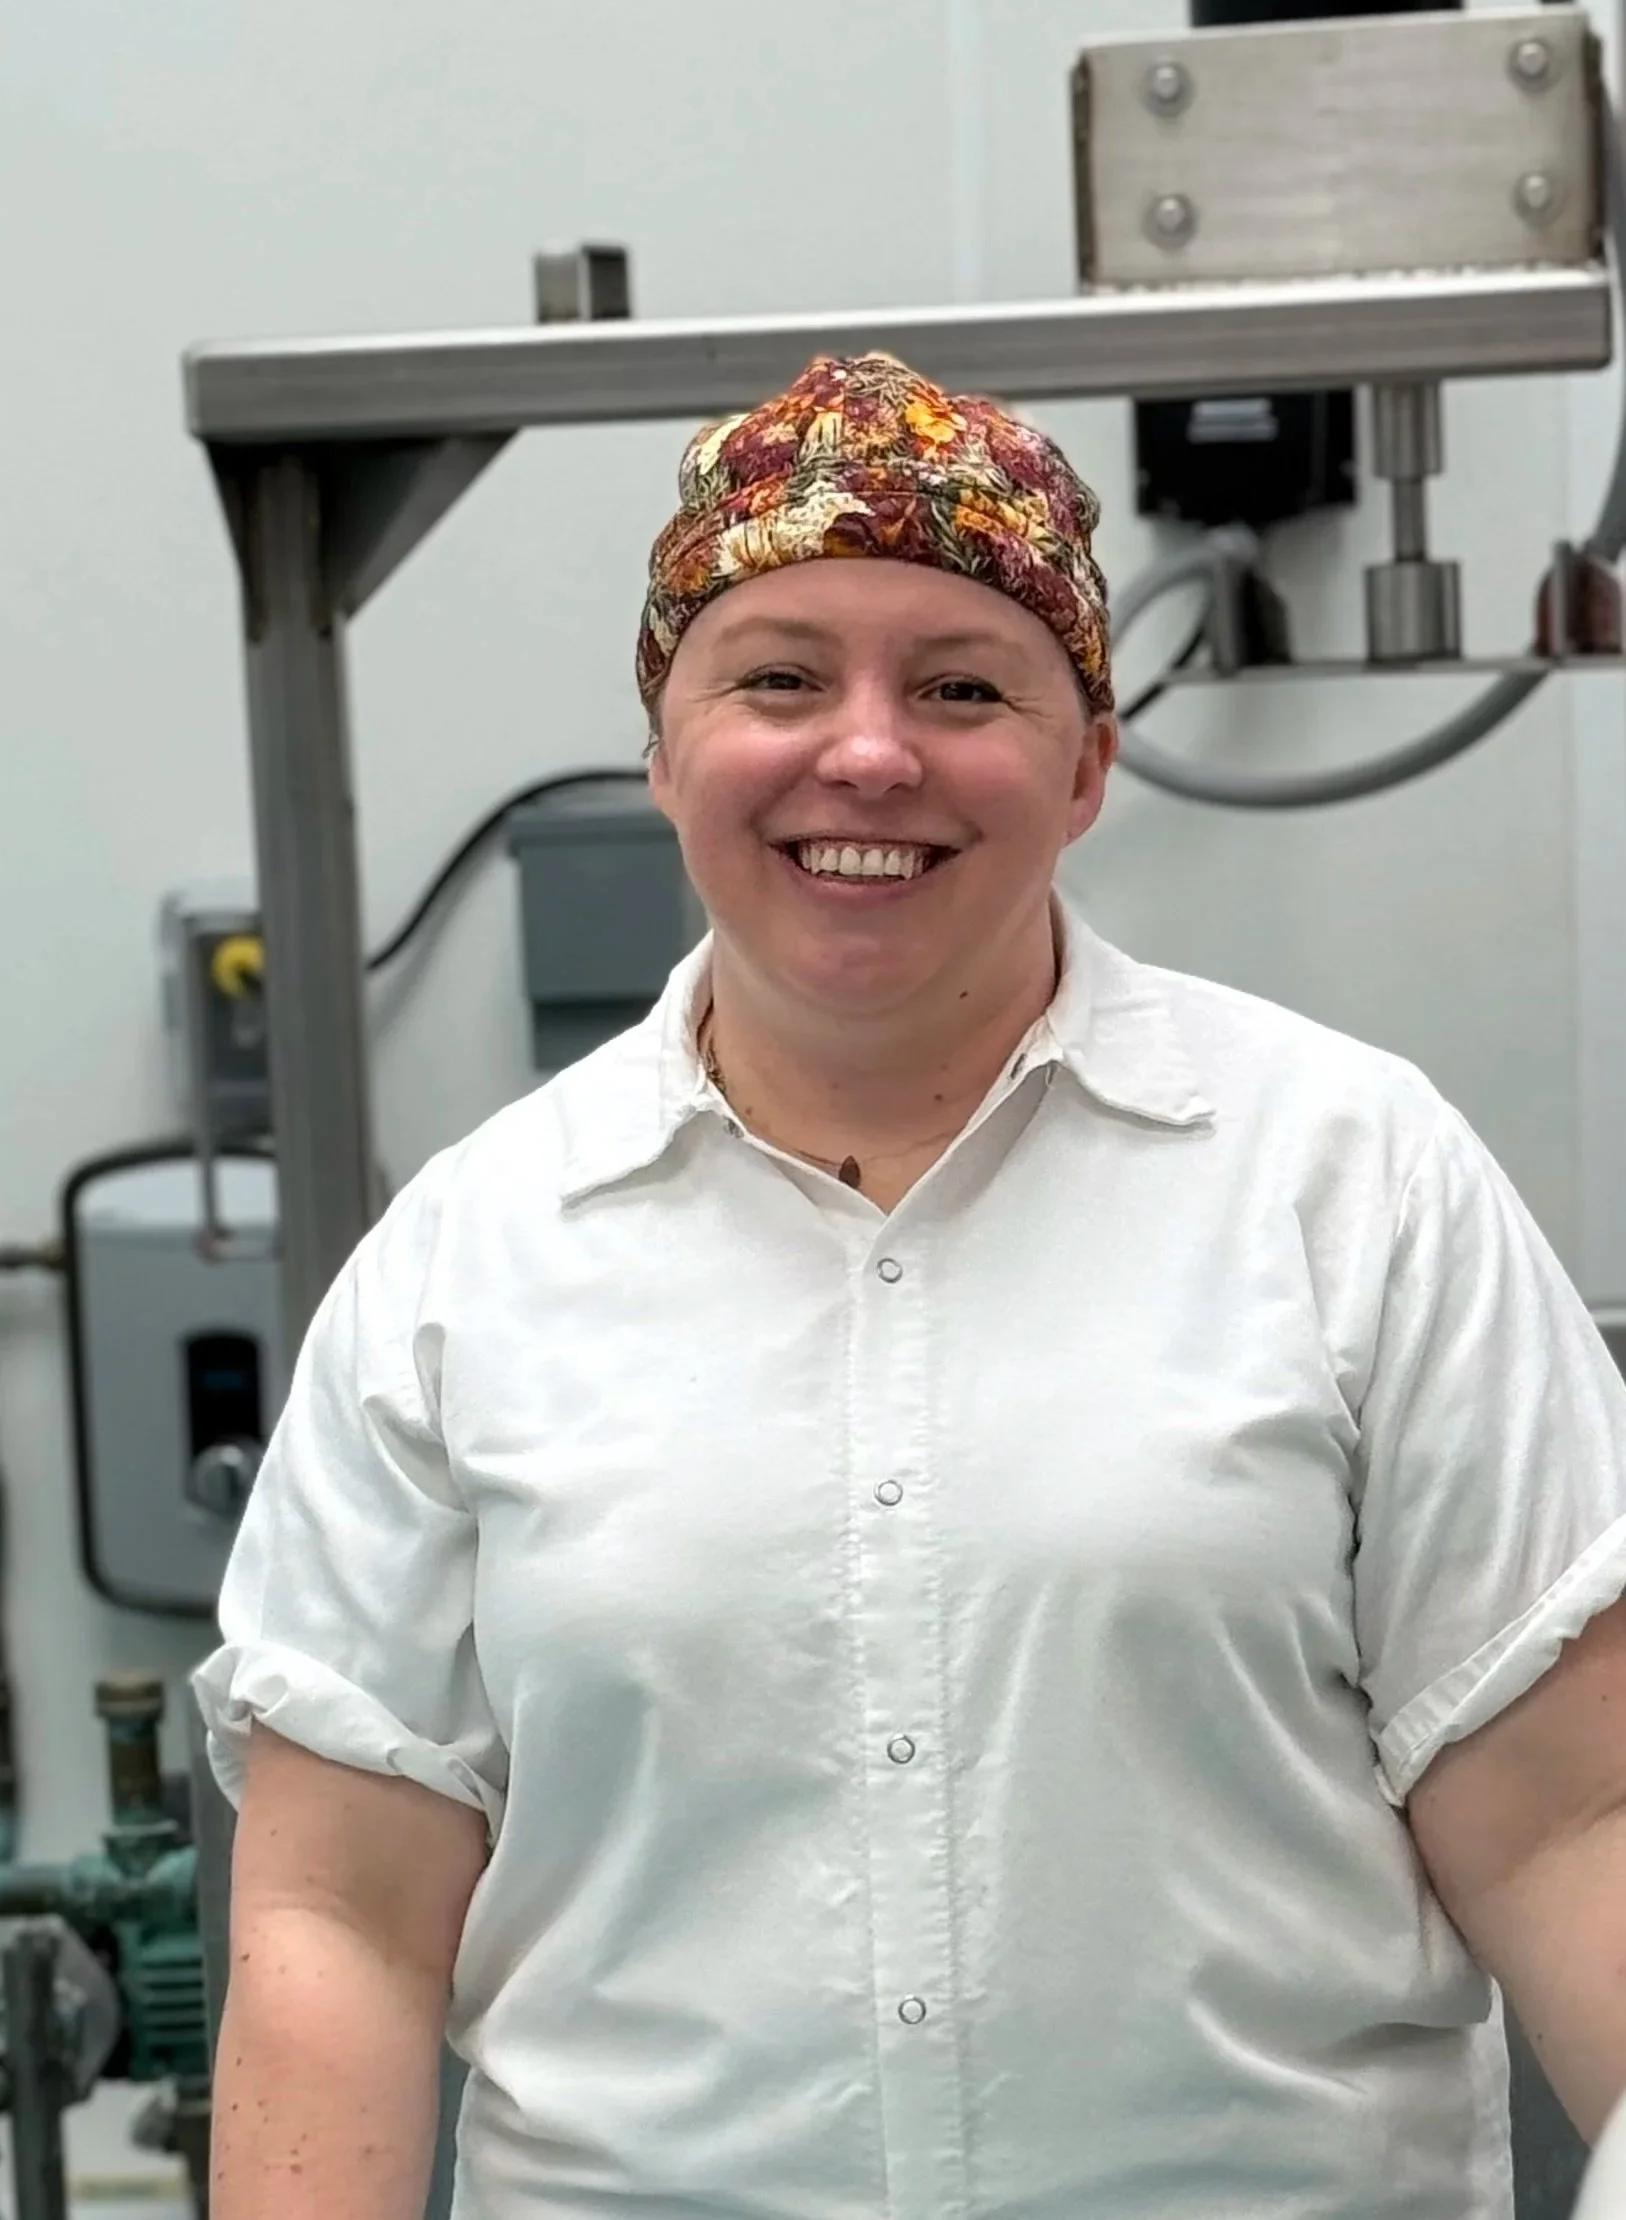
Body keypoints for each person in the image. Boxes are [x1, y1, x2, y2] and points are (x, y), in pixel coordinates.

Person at [194, 350, 1626, 2220]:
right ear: (663, 745)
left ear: (1088, 763)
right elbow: (338, 1928)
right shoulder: (464, 1269)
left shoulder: (1350, 1186)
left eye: (961, 686)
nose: (864, 753)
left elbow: (1570, 1825)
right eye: (776, 676)